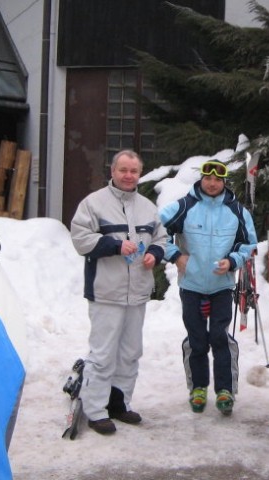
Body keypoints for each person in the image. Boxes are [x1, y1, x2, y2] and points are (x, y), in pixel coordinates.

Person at [70, 149, 167, 435]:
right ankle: (95, 409)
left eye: (133, 171)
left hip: (137, 291)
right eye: (123, 170)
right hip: (106, 291)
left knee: (130, 352)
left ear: (139, 173)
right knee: (102, 354)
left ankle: (119, 403)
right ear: (112, 171)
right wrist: (113, 245)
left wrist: (154, 253)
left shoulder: (148, 207)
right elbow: (80, 238)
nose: (128, 176)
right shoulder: (93, 204)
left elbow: (160, 237)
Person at [159, 159, 257, 416]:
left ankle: (225, 390)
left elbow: (248, 244)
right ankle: (198, 388)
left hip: (221, 286)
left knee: (219, 337)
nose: (212, 183)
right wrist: (175, 255)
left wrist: (233, 260)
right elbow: (158, 231)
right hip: (191, 285)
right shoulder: (185, 206)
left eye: (218, 179)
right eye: (208, 178)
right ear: (201, 179)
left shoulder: (236, 210)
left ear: (224, 182)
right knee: (197, 339)